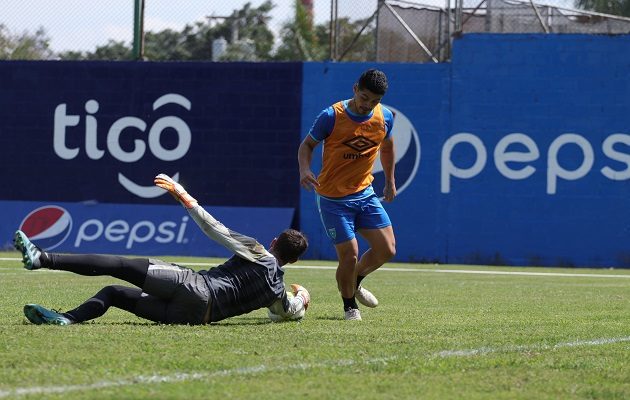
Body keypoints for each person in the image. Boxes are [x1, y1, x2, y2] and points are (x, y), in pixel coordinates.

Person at [16, 173, 310, 326]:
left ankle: (42, 258)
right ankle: (66, 319)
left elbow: (215, 229)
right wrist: (303, 298)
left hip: (194, 287)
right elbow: (287, 312)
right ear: (294, 261)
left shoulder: (259, 251)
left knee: (119, 265)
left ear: (273, 243)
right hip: (195, 317)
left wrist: (182, 194)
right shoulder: (276, 290)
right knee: (113, 293)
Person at [297, 69, 396, 321]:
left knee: (387, 250)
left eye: (374, 101)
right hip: (333, 199)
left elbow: (387, 147)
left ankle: (355, 281)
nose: (367, 105)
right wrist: (305, 169)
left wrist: (390, 181)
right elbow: (307, 145)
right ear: (355, 89)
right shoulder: (331, 116)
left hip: (365, 194)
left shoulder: (384, 117)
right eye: (364, 97)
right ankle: (349, 304)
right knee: (350, 254)